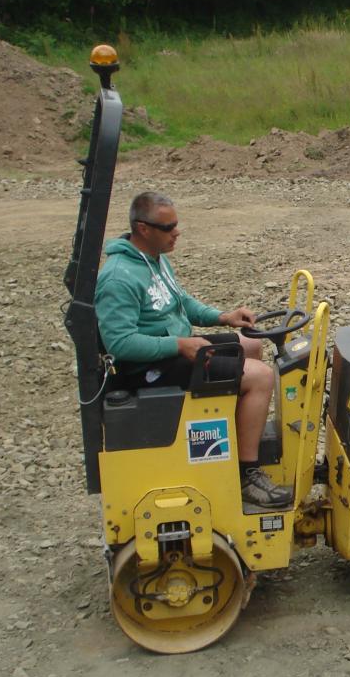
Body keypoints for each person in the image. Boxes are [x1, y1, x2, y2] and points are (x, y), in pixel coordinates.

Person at [95, 191, 289, 509]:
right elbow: (119, 344)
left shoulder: (155, 260)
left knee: (252, 344)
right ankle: (245, 474)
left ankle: (234, 440)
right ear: (143, 229)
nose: (177, 232)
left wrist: (223, 317)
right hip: (149, 367)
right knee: (262, 377)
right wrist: (179, 344)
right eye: (168, 226)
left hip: (175, 349)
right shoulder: (118, 279)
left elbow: (181, 302)